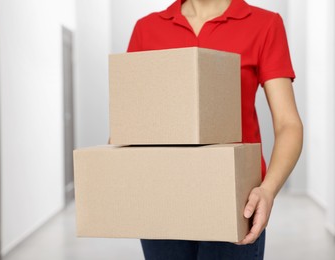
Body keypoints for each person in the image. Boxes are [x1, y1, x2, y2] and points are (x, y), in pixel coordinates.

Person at [124, 0, 304, 259]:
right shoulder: (147, 28)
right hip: (162, 195)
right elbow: (130, 122)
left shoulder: (264, 24)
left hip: (235, 201)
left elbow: (289, 124)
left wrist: (268, 189)